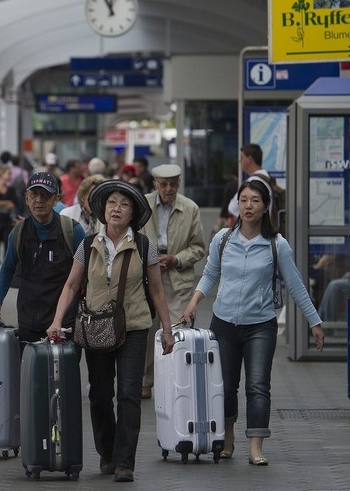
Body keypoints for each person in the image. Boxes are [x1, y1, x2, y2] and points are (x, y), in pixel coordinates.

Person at [181, 178, 325, 466]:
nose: (248, 205)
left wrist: (315, 322)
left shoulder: (276, 244)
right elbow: (210, 274)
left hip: (261, 325)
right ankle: (229, 437)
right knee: (226, 385)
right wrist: (194, 301)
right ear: (238, 204)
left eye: (255, 200)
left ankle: (256, 447)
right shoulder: (223, 239)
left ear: (266, 206)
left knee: (258, 385)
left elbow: (295, 285)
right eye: (244, 199)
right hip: (224, 323)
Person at [47, 179, 174, 482]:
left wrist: (168, 330)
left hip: (134, 327)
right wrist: (56, 321)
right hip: (96, 328)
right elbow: (72, 285)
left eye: (125, 204)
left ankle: (124, 462)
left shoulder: (145, 246)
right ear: (103, 209)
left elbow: (157, 291)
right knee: (101, 394)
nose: (117, 208)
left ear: (133, 213)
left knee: (129, 394)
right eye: (112, 202)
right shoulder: (88, 244)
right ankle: (107, 453)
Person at [0, 172, 86, 345]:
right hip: (28, 318)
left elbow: (85, 273)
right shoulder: (18, 233)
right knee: (30, 369)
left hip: (64, 319)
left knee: (64, 370)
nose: (39, 200)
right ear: (26, 198)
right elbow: (8, 268)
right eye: (34, 194)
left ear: (56, 199)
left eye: (45, 195)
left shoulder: (72, 231)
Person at [139, 164, 206, 398]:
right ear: (155, 185)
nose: (169, 189)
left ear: (179, 184)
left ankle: (177, 382)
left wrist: (176, 259)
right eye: (163, 184)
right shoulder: (142, 204)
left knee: (177, 331)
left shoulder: (190, 208)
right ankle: (145, 382)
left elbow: (199, 248)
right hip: (146, 278)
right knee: (147, 330)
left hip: (177, 279)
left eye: (173, 184)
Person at [227, 143, 271, 219]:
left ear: (249, 160)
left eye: (242, 157)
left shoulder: (254, 182)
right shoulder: (266, 177)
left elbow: (232, 207)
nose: (240, 161)